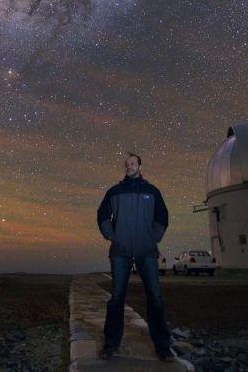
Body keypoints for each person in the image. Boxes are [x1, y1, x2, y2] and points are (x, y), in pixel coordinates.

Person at [96, 152, 174, 362]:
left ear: (140, 167)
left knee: (155, 297)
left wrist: (152, 238)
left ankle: (163, 346)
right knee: (117, 298)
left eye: (133, 163)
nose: (129, 166)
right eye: (127, 164)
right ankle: (111, 344)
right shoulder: (115, 191)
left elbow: (162, 217)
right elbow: (102, 215)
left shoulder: (152, 191)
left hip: (146, 251)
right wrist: (111, 236)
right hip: (120, 252)